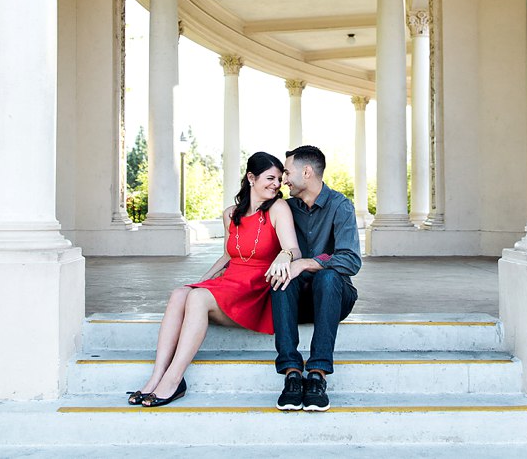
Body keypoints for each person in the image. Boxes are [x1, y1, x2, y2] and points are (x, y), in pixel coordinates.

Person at [127, 151, 300, 407]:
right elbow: (227, 256)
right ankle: (155, 378)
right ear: (251, 178)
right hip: (230, 281)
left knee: (196, 298)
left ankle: (173, 381)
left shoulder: (278, 207)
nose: (276, 184)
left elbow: (294, 250)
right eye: (270, 178)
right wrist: (200, 282)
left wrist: (285, 255)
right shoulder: (230, 214)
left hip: (256, 290)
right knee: (180, 293)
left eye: (279, 179)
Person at [269, 143, 362, 412]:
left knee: (329, 277)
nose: (283, 180)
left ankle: (318, 374)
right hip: (294, 301)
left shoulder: (340, 206)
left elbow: (351, 260)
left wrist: (306, 263)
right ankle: (291, 374)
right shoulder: (284, 208)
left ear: (307, 172)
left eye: (287, 173)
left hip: (333, 298)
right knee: (282, 275)